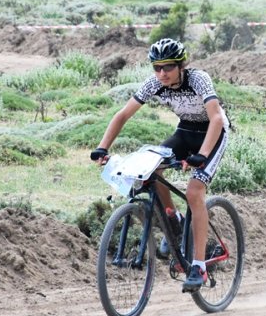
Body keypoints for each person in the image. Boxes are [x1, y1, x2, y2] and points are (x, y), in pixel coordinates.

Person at [90, 38, 230, 293]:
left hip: (213, 133)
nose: (162, 73)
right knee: (151, 169)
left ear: (180, 66)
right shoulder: (155, 84)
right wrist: (103, 147)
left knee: (194, 191)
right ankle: (173, 217)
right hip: (185, 130)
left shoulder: (198, 79)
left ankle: (199, 265)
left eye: (167, 67)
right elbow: (123, 115)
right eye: (157, 67)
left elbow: (217, 118)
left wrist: (202, 154)